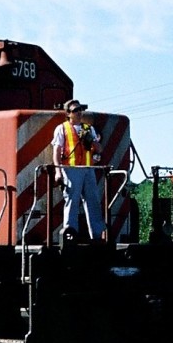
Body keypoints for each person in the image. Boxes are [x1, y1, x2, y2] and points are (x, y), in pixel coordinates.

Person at [52, 99, 106, 242]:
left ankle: (98, 235)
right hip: (71, 170)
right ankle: (70, 235)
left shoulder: (88, 128)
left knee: (93, 201)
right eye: (76, 110)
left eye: (80, 109)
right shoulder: (62, 129)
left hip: (88, 170)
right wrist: (58, 171)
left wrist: (91, 140)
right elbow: (56, 151)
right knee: (72, 201)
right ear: (68, 113)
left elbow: (99, 149)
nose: (79, 112)